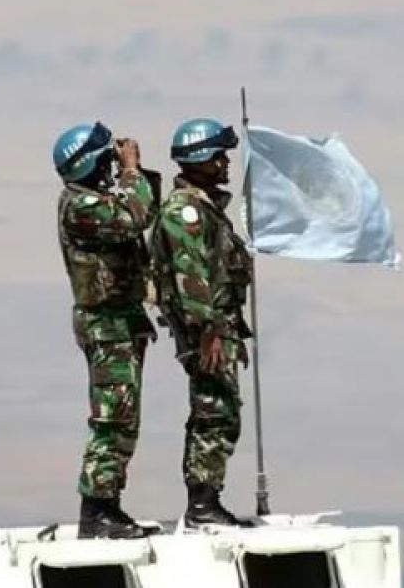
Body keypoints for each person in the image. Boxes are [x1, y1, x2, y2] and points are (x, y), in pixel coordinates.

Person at [53, 122, 162, 539]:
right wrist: (132, 171)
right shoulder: (81, 207)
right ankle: (97, 511)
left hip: (119, 321)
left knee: (122, 417)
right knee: (112, 419)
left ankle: (107, 507)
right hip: (107, 326)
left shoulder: (93, 200)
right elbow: (134, 217)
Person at [151, 117, 256, 528]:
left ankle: (206, 501)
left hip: (218, 327)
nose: (225, 163)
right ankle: (202, 505)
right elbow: (190, 276)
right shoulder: (186, 211)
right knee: (214, 412)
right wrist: (208, 331)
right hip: (206, 331)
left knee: (221, 410)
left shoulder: (204, 208)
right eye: (218, 155)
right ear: (199, 160)